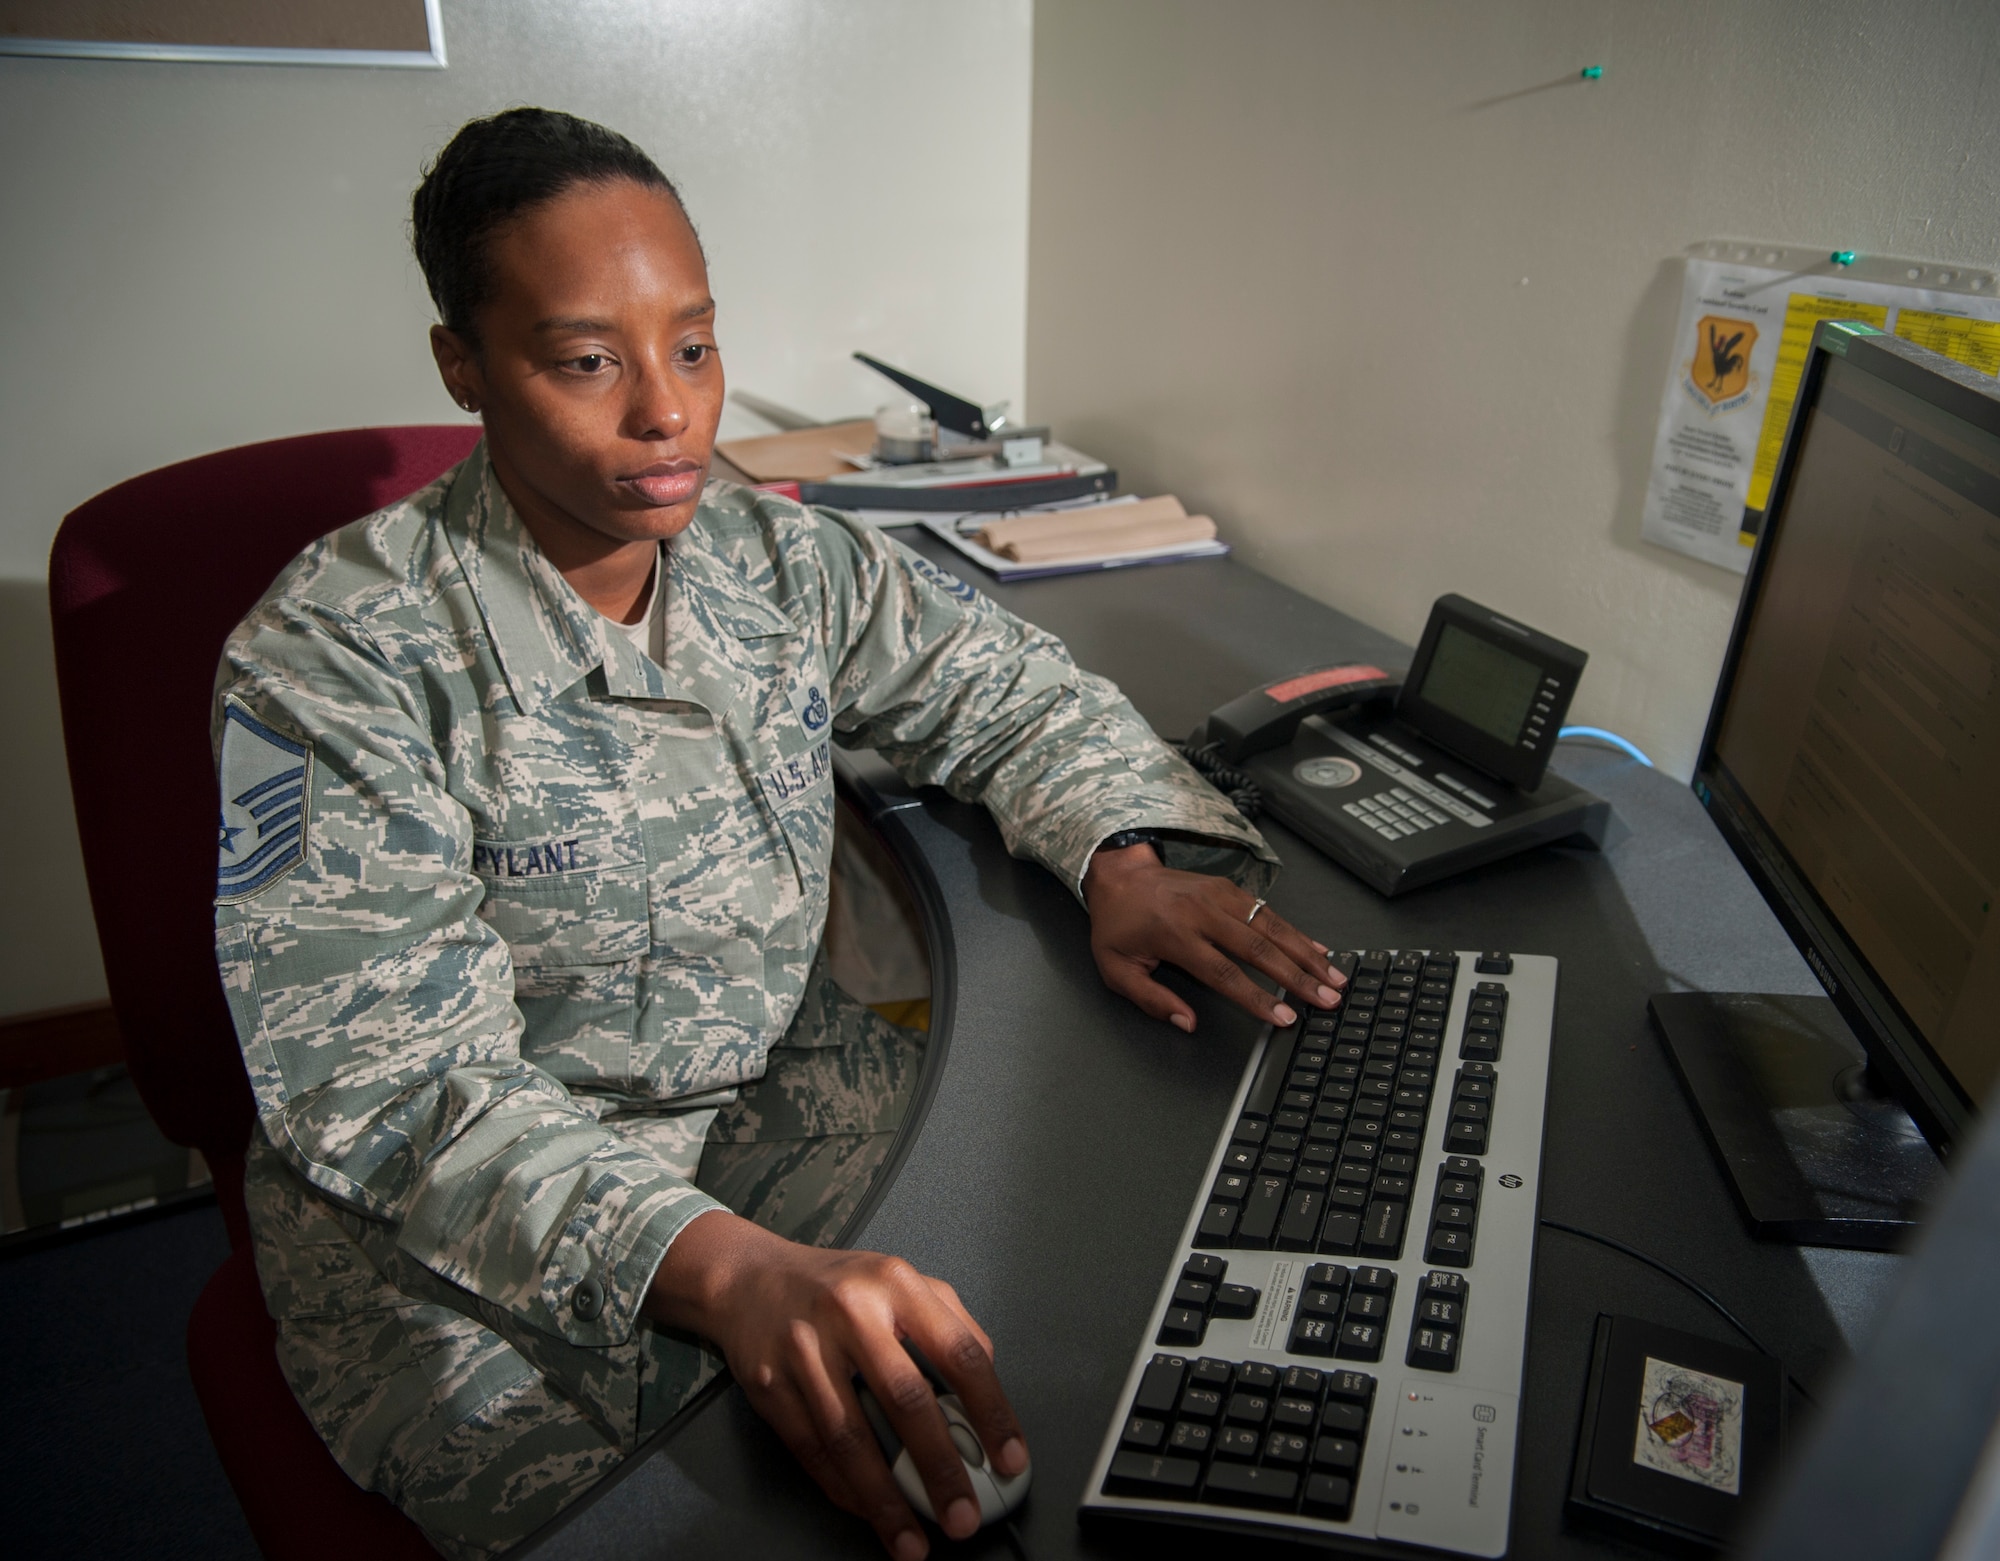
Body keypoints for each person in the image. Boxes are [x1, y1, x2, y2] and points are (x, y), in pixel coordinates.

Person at [212, 108, 1344, 1561]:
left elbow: (1005, 692)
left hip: (760, 1095)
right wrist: (727, 1272)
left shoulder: (775, 558)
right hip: (447, 1232)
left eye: (692, 345)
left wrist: (1116, 852)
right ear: (463, 366)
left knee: (1093, 1327)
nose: (669, 411)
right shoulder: (338, 655)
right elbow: (393, 1087)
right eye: (586, 361)